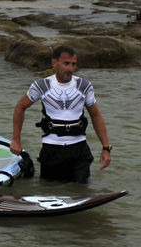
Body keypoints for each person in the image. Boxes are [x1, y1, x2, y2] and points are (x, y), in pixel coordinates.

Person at [9, 45, 111, 183]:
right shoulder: (41, 85)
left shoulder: (84, 86)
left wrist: (105, 148)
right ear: (54, 63)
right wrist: (16, 139)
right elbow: (20, 108)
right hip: (51, 151)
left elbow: (96, 115)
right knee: (49, 192)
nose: (70, 68)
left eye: (73, 64)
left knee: (81, 191)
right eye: (66, 63)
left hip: (79, 150)